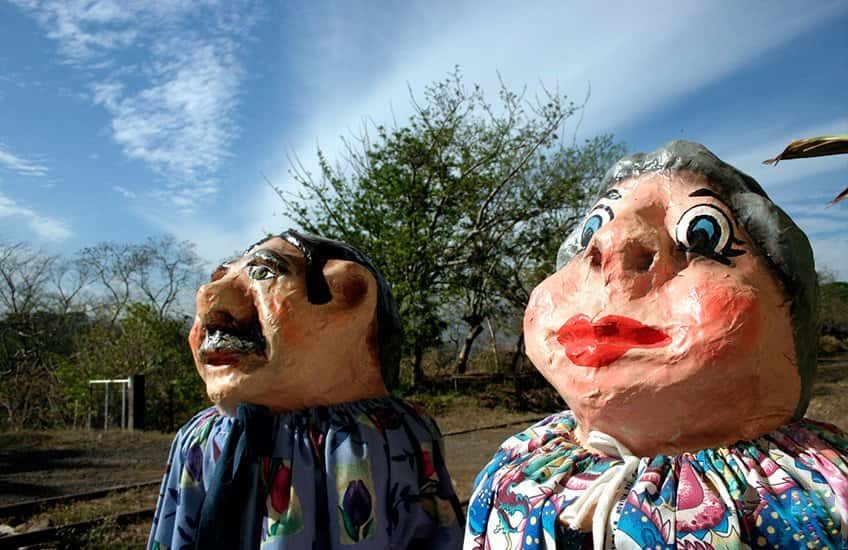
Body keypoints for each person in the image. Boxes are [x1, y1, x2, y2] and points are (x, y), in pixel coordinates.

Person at [464, 141, 848, 549]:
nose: (611, 242)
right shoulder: (514, 469)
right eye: (592, 228)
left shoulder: (817, 498)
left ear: (789, 311)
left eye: (703, 235)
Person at [149, 230, 463, 549]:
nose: (208, 295)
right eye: (220, 276)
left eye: (262, 273)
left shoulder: (388, 436)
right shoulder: (200, 437)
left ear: (350, 294)